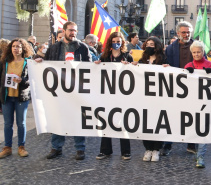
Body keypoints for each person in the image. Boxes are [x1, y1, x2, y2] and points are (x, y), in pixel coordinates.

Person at [38, 21, 92, 160]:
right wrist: (38, 61)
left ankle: (80, 149)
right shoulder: (55, 48)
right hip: (58, 90)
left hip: (76, 90)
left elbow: (90, 67)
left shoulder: (83, 48)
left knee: (78, 119)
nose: (73, 33)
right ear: (64, 31)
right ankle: (56, 147)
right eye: (70, 30)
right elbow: (47, 64)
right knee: (58, 119)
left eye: (75, 30)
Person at [94, 32, 133, 161]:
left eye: (119, 41)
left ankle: (126, 151)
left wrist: (131, 66)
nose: (117, 43)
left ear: (122, 43)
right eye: (114, 41)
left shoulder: (127, 57)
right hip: (107, 94)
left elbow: (134, 73)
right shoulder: (104, 57)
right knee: (106, 121)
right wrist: (97, 65)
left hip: (123, 95)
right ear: (110, 42)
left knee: (123, 122)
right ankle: (105, 150)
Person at [165, 21, 197, 155]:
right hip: (175, 88)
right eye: (184, 32)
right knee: (172, 116)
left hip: (193, 88)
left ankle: (191, 144)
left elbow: (205, 62)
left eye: (188, 32)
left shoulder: (197, 46)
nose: (186, 34)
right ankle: (167, 144)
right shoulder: (171, 48)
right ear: (178, 33)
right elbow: (165, 63)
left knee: (192, 117)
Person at [184, 41, 211, 168]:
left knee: (203, 130)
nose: (196, 54)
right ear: (191, 53)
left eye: (199, 52)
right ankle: (197, 152)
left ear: (203, 52)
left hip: (206, 102)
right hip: (192, 102)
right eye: (194, 52)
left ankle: (201, 156)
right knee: (194, 129)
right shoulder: (187, 65)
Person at [0, 39, 33, 159]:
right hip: (7, 97)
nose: (16, 49)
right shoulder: (5, 62)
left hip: (21, 97)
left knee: (21, 123)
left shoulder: (28, 62)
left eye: (18, 47)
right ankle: (7, 148)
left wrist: (22, 80)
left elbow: (31, 80)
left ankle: (21, 147)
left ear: (23, 48)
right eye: (13, 46)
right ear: (10, 48)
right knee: (8, 124)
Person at [138, 36, 167, 161]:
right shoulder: (142, 60)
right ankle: (148, 148)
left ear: (157, 47)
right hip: (145, 97)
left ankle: (156, 149)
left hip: (160, 97)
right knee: (146, 123)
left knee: (158, 122)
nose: (150, 46)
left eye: (152, 44)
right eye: (148, 44)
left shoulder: (163, 59)